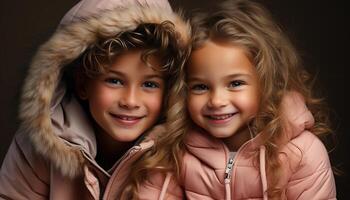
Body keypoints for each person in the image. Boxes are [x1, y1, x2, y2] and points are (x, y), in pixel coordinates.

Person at [126, 0, 337, 199]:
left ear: (267, 83)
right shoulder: (174, 150)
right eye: (201, 87)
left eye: (235, 84)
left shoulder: (302, 154)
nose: (217, 101)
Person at [0, 0, 190, 199]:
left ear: (169, 90)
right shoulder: (39, 144)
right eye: (114, 81)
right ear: (83, 85)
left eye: (149, 84)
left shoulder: (184, 153)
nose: (130, 101)